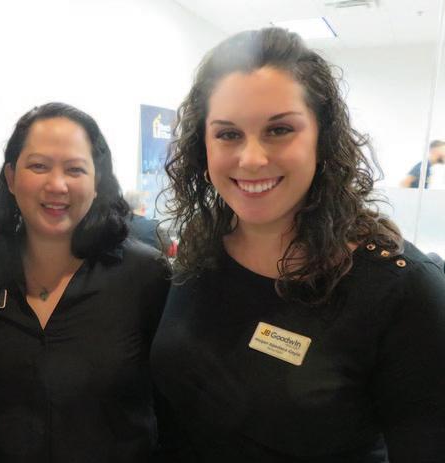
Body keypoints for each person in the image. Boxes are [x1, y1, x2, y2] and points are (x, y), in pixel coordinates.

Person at [151, 27, 445, 461]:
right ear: (202, 145)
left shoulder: (402, 289)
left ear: (322, 139)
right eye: (228, 134)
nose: (252, 159)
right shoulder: (201, 247)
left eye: (279, 129)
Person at [0, 103, 171, 462]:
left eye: (75, 169)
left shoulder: (144, 275)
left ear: (97, 183)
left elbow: (176, 408)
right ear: (11, 177)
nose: (57, 185)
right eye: (39, 166)